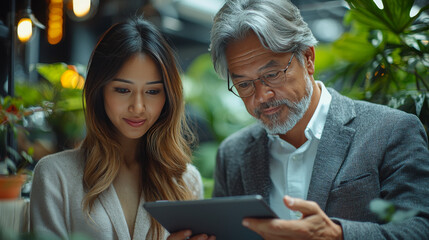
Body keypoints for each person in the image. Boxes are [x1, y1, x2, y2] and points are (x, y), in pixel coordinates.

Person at [209, 0, 429, 239]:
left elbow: (419, 229)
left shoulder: (391, 131)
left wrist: (336, 235)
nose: (261, 96)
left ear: (308, 58)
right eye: (244, 84)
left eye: (272, 75)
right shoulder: (232, 155)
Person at [30, 17, 208, 240]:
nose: (138, 107)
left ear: (168, 98)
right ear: (99, 91)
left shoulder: (185, 181)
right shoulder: (55, 176)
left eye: (152, 92)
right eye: (123, 90)